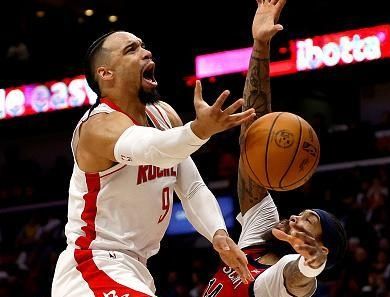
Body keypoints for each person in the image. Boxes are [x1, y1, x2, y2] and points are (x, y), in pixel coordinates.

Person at [51, 30, 257, 297]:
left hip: (135, 269)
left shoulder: (164, 115)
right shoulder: (97, 127)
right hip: (91, 267)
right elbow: (153, 149)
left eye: (143, 46)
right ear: (106, 73)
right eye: (131, 50)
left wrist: (217, 233)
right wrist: (199, 130)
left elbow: (191, 186)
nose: (146, 52)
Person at [202, 0, 348, 296]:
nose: (295, 217)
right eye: (303, 213)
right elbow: (253, 134)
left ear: (318, 247)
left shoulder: (281, 277)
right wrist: (260, 45)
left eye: (309, 222)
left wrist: (312, 263)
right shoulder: (260, 231)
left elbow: (300, 276)